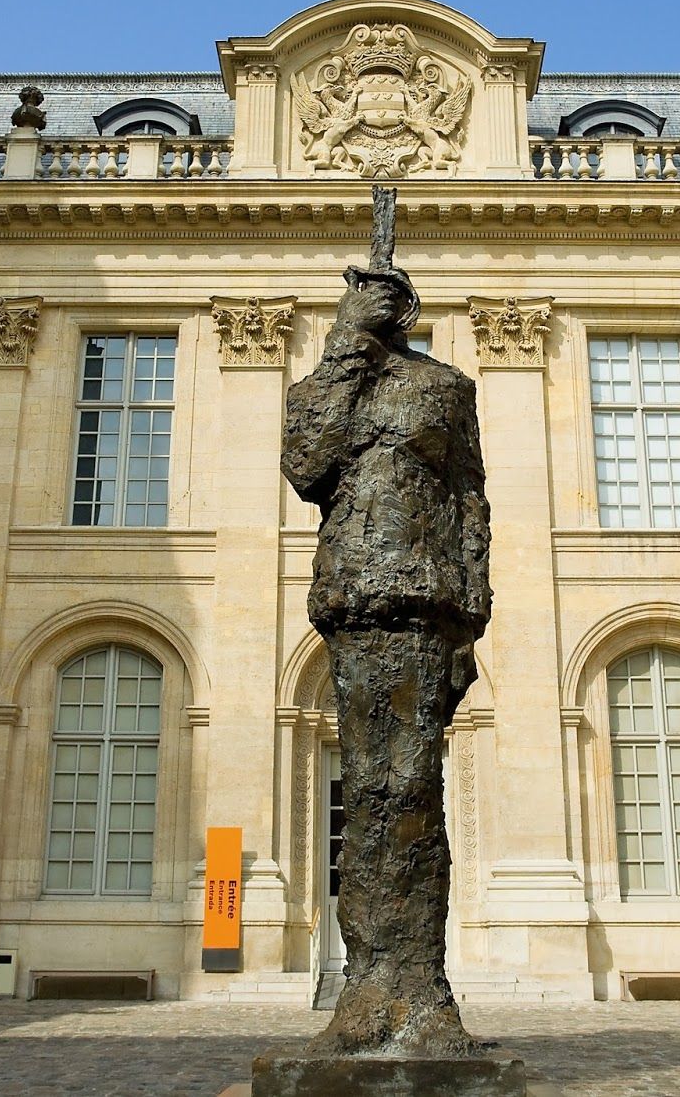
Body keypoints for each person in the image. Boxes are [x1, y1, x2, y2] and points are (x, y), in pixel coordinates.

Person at [282, 231, 492, 1057]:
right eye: (363, 296)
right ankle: (368, 993)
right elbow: (306, 467)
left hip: (427, 603)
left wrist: (471, 620)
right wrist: (344, 345)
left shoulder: (446, 388)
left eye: (386, 298)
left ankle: (420, 992)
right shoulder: (323, 388)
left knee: (414, 795)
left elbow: (471, 504)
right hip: (356, 601)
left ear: (407, 308)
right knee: (370, 793)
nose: (377, 307)